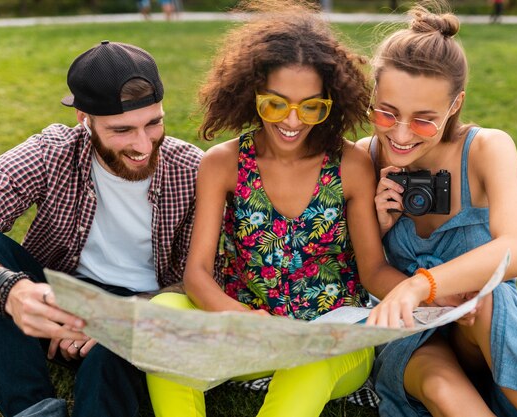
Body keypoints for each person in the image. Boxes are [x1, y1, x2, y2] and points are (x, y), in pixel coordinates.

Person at [145, 0, 403, 416]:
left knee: (313, 359)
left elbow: (372, 272)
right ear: (254, 94)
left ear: (330, 101)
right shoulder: (222, 164)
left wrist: (434, 293)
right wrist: (247, 320)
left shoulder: (352, 166)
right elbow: (196, 275)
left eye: (311, 106)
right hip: (246, 335)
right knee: (162, 314)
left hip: (331, 343)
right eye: (276, 104)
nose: (293, 121)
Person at [358, 2, 517, 416]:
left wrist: (420, 284)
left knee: (491, 294)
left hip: (485, 324)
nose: (401, 134)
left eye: (424, 120)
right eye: (386, 113)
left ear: (455, 103)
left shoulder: (485, 148)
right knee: (444, 390)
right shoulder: (364, 158)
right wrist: (378, 226)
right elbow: (370, 272)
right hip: (411, 330)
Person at [0, 41, 205, 417]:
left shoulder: (193, 170)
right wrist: (12, 292)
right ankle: (33, 409)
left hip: (145, 310)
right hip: (55, 305)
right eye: (122, 130)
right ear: (83, 119)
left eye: (154, 122)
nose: (143, 144)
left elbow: (212, 276)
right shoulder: (51, 152)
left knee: (114, 351)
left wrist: (118, 316)